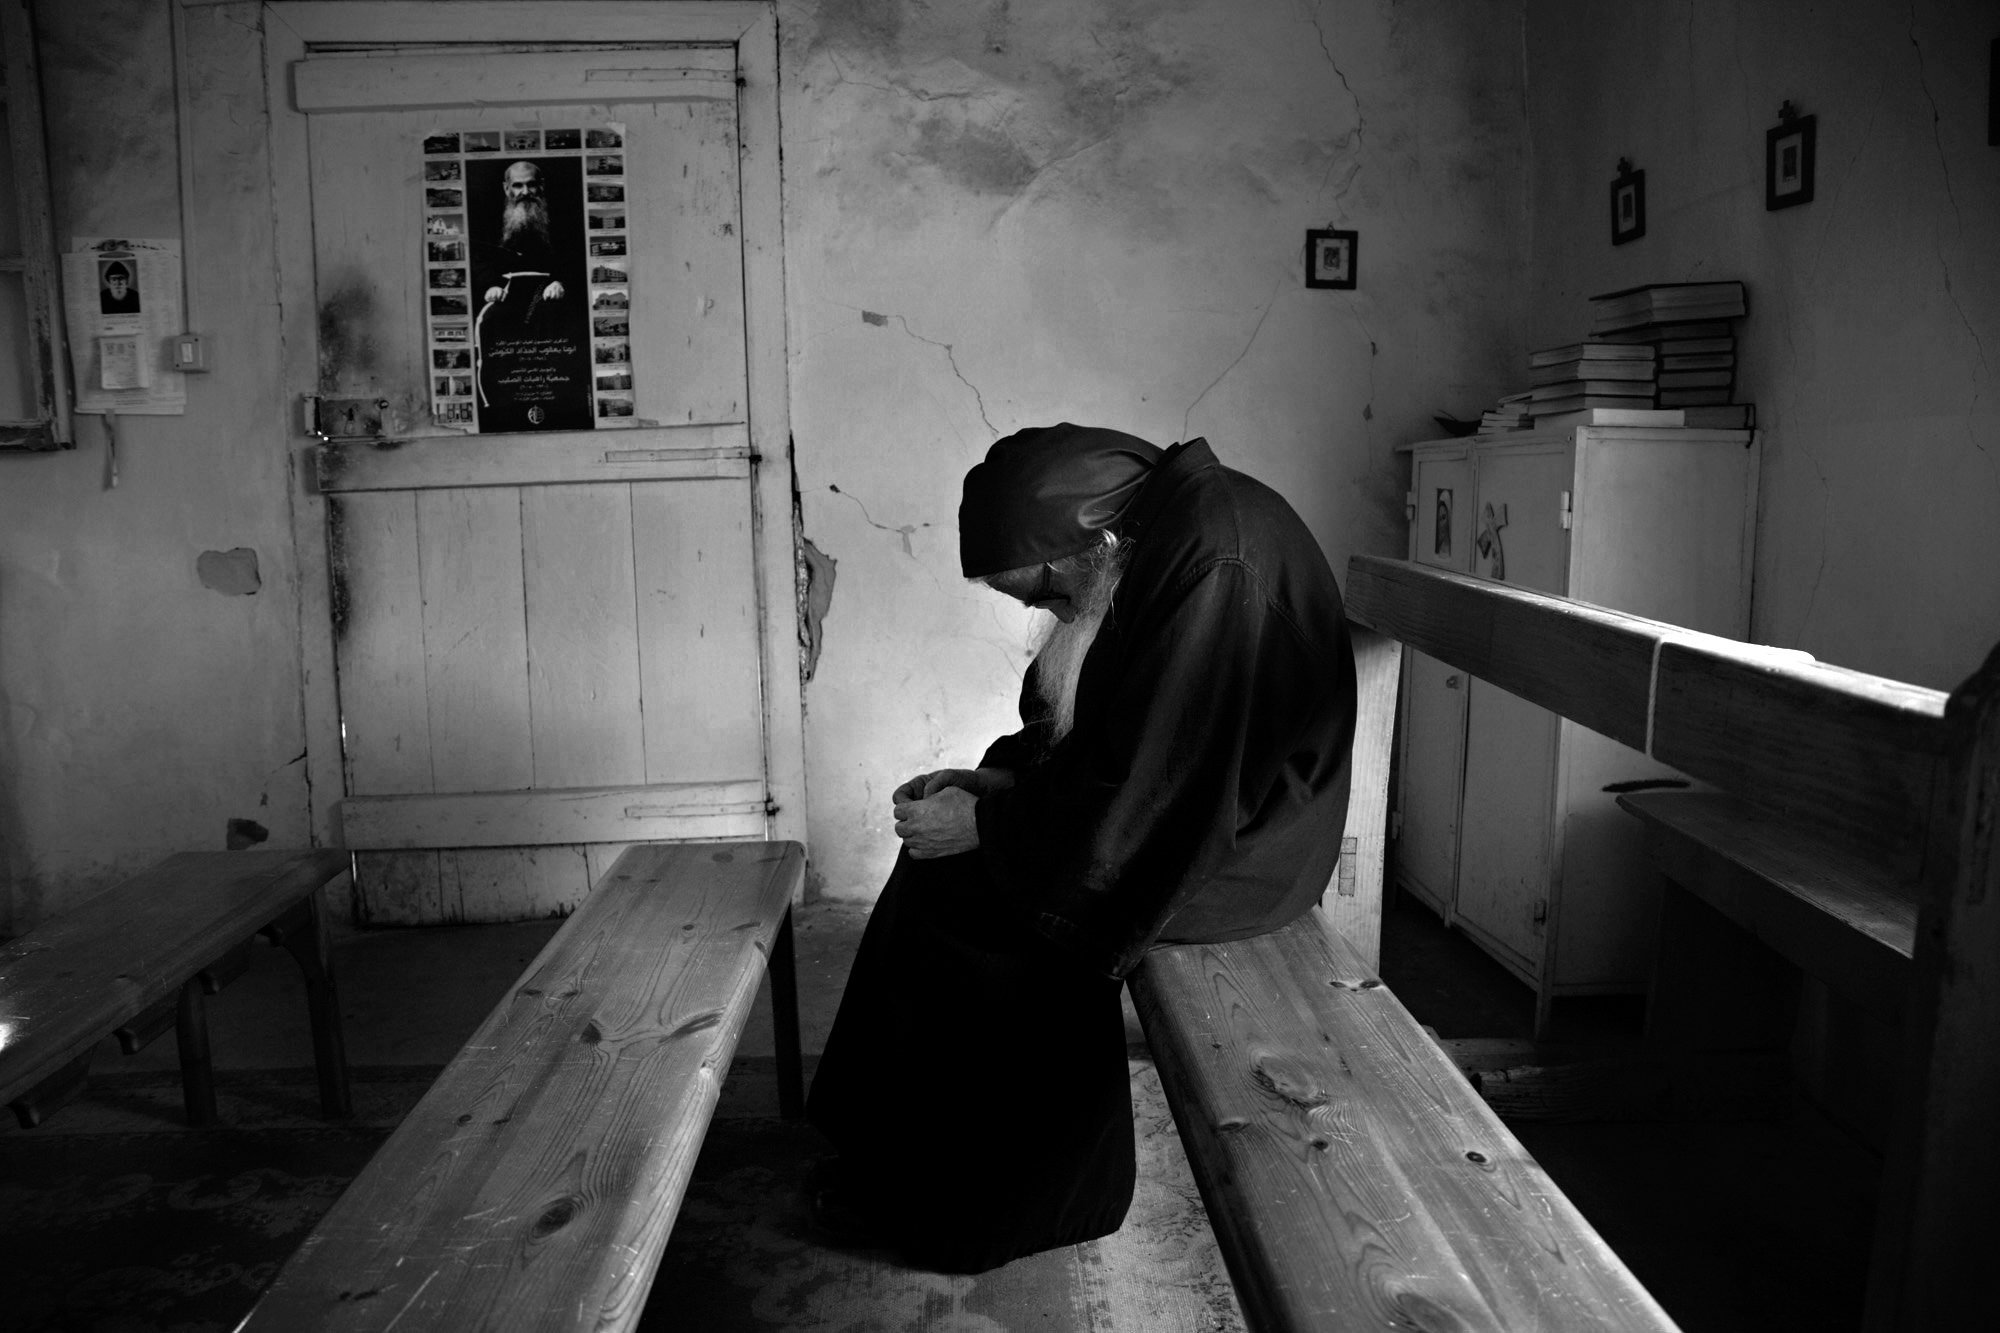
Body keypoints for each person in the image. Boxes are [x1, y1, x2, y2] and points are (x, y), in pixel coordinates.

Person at [805, 423, 1358, 1273]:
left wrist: (991, 829)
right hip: (1186, 809)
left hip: (1245, 849)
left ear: (1089, 549)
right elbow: (1116, 744)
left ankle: (1002, 1207)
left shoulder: (1212, 564)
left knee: (1006, 916)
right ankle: (884, 1153)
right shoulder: (1149, 541)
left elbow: (1157, 799)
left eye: (1045, 597)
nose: (1048, 615)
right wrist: (995, 788)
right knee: (944, 871)